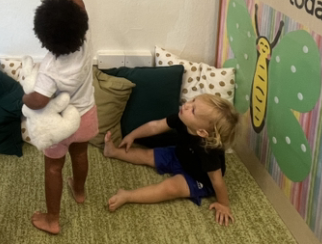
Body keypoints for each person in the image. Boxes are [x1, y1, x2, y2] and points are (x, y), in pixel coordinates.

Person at [23, 0, 97, 235]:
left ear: (43, 37)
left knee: (54, 167)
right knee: (80, 154)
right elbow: (80, 6)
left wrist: (24, 98)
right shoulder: (85, 39)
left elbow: (39, 100)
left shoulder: (49, 69)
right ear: (81, 25)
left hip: (58, 125)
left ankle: (52, 219)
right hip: (86, 115)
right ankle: (79, 190)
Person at [103, 93, 240, 226]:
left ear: (202, 132)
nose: (187, 105)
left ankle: (127, 196)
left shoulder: (208, 151)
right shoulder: (181, 119)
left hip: (198, 178)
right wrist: (132, 135)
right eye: (193, 100)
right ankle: (113, 152)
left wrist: (223, 204)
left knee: (170, 188)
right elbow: (155, 126)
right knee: (148, 155)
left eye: (193, 110)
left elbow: (217, 180)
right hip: (180, 155)